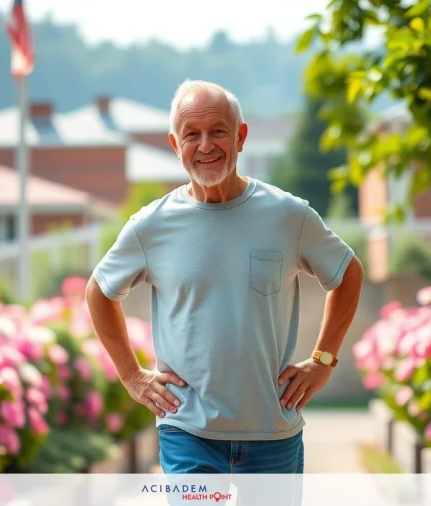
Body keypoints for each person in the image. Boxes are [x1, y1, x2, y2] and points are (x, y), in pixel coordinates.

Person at [85, 80, 364, 482]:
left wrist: (323, 361)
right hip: (187, 431)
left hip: (273, 431)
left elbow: (348, 273)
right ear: (174, 143)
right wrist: (132, 376)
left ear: (241, 136)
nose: (205, 145)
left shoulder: (288, 215)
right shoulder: (151, 225)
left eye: (218, 131)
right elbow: (98, 291)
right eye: (191, 135)